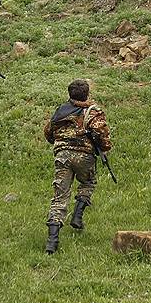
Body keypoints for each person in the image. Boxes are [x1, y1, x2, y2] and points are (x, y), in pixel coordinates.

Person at [43, 79, 112, 254]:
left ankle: (52, 242)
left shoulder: (60, 111)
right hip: (84, 156)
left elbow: (48, 132)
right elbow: (101, 132)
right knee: (88, 183)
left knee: (59, 196)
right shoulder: (91, 111)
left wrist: (61, 142)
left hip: (62, 156)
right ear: (87, 93)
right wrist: (104, 148)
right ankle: (77, 216)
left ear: (70, 94)